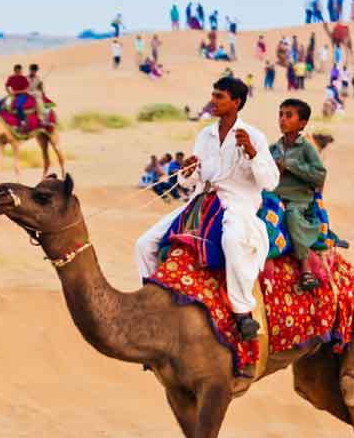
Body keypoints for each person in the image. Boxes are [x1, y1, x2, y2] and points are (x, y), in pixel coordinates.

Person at [134, 75, 278, 341]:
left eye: (219, 97)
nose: (212, 101)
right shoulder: (206, 135)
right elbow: (192, 179)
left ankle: (243, 311)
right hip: (202, 201)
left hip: (237, 204)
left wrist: (253, 154)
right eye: (213, 95)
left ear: (236, 102)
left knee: (233, 241)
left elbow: (270, 181)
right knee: (144, 244)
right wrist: (187, 172)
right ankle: (151, 301)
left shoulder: (255, 136)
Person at [270, 98, 330, 290]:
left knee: (292, 217)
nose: (283, 119)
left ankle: (305, 268)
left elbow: (319, 176)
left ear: (302, 123)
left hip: (298, 201)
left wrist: (290, 166)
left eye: (289, 115)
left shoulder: (306, 149)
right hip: (273, 198)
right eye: (281, 115)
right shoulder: (273, 149)